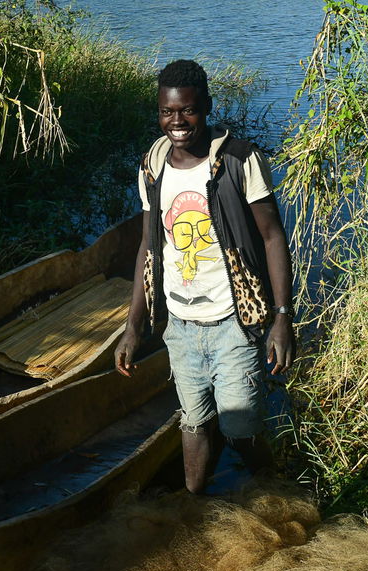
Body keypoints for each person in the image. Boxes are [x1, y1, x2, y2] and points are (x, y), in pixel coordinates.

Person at [115, 59, 294, 495]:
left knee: (240, 430)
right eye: (167, 112)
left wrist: (282, 317)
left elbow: (273, 237)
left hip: (233, 322)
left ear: (207, 107)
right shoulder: (153, 165)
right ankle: (193, 506)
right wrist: (133, 326)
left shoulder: (238, 160)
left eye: (188, 111)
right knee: (193, 423)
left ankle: (278, 493)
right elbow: (148, 247)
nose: (177, 122)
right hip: (179, 325)